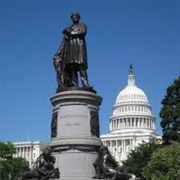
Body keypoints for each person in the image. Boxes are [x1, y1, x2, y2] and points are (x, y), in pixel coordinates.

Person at [54, 12, 90, 89]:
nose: (75, 18)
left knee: (81, 66)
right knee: (72, 67)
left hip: (79, 48)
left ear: (79, 18)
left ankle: (85, 84)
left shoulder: (82, 25)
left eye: (76, 16)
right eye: (73, 17)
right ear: (71, 18)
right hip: (71, 49)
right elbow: (64, 41)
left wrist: (70, 33)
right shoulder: (69, 27)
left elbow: (82, 33)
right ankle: (74, 85)